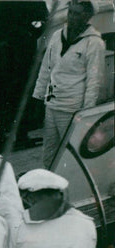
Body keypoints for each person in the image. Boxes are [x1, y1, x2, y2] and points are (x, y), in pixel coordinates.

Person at [33, 0, 105, 167]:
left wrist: (86, 113)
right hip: (52, 105)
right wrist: (37, 96)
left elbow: (94, 82)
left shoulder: (94, 43)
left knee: (71, 153)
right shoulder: (57, 36)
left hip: (73, 109)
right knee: (49, 152)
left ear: (87, 16)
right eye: (70, 12)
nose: (71, 17)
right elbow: (46, 67)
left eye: (77, 13)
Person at [0, 0, 49, 146]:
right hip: (4, 54)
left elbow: (43, 20)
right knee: (0, 95)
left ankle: (22, 136)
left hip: (25, 52)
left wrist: (31, 35)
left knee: (24, 93)